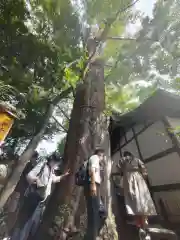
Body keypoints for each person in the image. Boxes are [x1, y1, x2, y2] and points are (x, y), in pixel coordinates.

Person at [10, 152, 70, 240]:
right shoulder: (42, 166)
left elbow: (53, 179)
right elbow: (29, 176)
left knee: (31, 224)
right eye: (56, 161)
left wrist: (63, 176)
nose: (57, 164)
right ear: (52, 160)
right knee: (23, 221)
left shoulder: (51, 170)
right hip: (33, 197)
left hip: (40, 201)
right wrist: (36, 180)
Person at [117, 151, 157, 229]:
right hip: (139, 178)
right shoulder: (137, 159)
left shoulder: (122, 160)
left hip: (128, 180)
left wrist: (124, 172)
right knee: (142, 199)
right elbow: (144, 170)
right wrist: (143, 178)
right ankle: (145, 222)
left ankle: (138, 224)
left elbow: (118, 169)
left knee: (133, 202)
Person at [84, 148, 105, 240]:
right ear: (100, 154)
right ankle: (92, 236)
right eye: (103, 155)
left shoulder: (97, 162)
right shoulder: (95, 157)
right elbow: (92, 171)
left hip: (95, 185)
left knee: (98, 211)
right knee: (93, 212)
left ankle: (92, 235)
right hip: (93, 184)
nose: (103, 157)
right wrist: (93, 185)